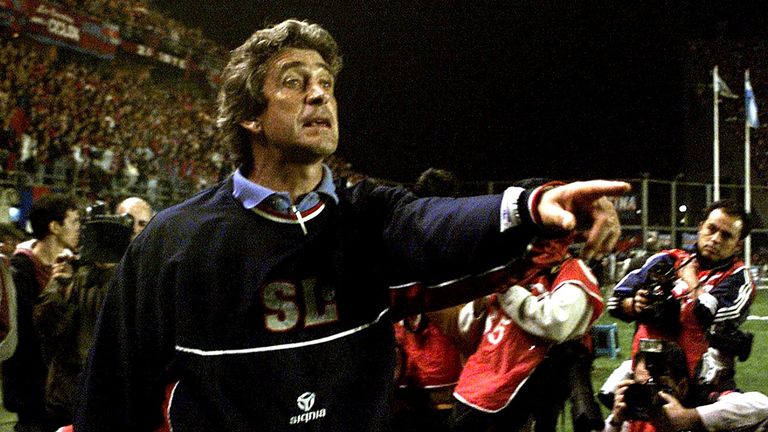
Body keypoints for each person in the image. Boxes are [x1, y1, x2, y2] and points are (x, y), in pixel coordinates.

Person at [74, 19, 630, 431]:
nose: (319, 93)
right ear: (249, 115)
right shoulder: (172, 242)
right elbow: (113, 395)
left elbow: (434, 223)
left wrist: (536, 204)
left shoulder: (366, 217)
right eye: (294, 82)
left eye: (326, 82)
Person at [450, 233, 604, 432]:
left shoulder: (572, 273)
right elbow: (467, 329)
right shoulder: (513, 268)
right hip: (476, 384)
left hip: (525, 392)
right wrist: (479, 304)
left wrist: (507, 289)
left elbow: (555, 324)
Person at [607, 199, 755, 386]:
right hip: (645, 373)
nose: (715, 239)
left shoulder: (738, 278)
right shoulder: (667, 259)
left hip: (701, 385)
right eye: (711, 229)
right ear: (701, 228)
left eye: (726, 236)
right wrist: (635, 304)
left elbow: (710, 317)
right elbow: (615, 301)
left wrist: (691, 281)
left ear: (737, 245)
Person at [33, 202, 133, 428]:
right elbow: (44, 328)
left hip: (113, 400)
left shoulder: (133, 281)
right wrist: (61, 289)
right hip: (69, 399)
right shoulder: (73, 277)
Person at [2, 194, 80, 432]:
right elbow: (32, 331)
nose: (80, 229)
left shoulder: (70, 268)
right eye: (75, 221)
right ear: (54, 227)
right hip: (31, 392)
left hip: (59, 394)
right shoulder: (20, 271)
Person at [604, 340, 768, 432]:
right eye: (641, 385)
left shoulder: (699, 404)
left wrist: (691, 417)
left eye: (658, 385)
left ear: (682, 386)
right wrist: (615, 421)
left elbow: (763, 407)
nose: (648, 391)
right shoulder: (636, 410)